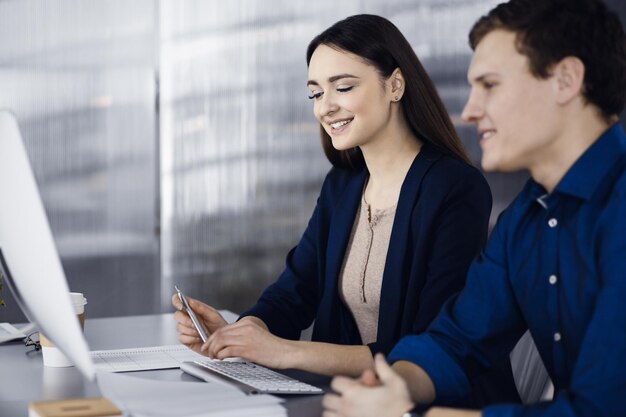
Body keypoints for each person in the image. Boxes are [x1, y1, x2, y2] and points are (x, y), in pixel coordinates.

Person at [173, 14, 518, 406]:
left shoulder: (454, 188)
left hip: (434, 406)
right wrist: (243, 330)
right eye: (316, 93)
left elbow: (431, 343)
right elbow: (295, 290)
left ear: (396, 85)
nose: (326, 107)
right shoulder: (344, 184)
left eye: (343, 87)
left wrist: (283, 351)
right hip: (353, 402)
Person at [322, 1, 626, 416]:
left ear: (565, 80)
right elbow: (457, 340)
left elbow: (600, 409)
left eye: (490, 85)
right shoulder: (524, 220)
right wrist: (397, 385)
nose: (469, 110)